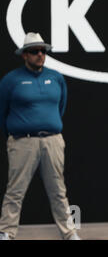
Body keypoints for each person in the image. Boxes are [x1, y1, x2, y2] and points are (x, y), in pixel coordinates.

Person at [0, 33, 80, 241]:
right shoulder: (11, 80)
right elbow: (2, 111)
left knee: (58, 190)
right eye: (35, 51)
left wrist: (47, 126)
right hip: (22, 141)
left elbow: (60, 107)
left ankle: (69, 233)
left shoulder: (56, 78)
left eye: (43, 51)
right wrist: (19, 131)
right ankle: (7, 232)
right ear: (24, 55)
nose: (40, 55)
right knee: (15, 191)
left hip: (53, 140)